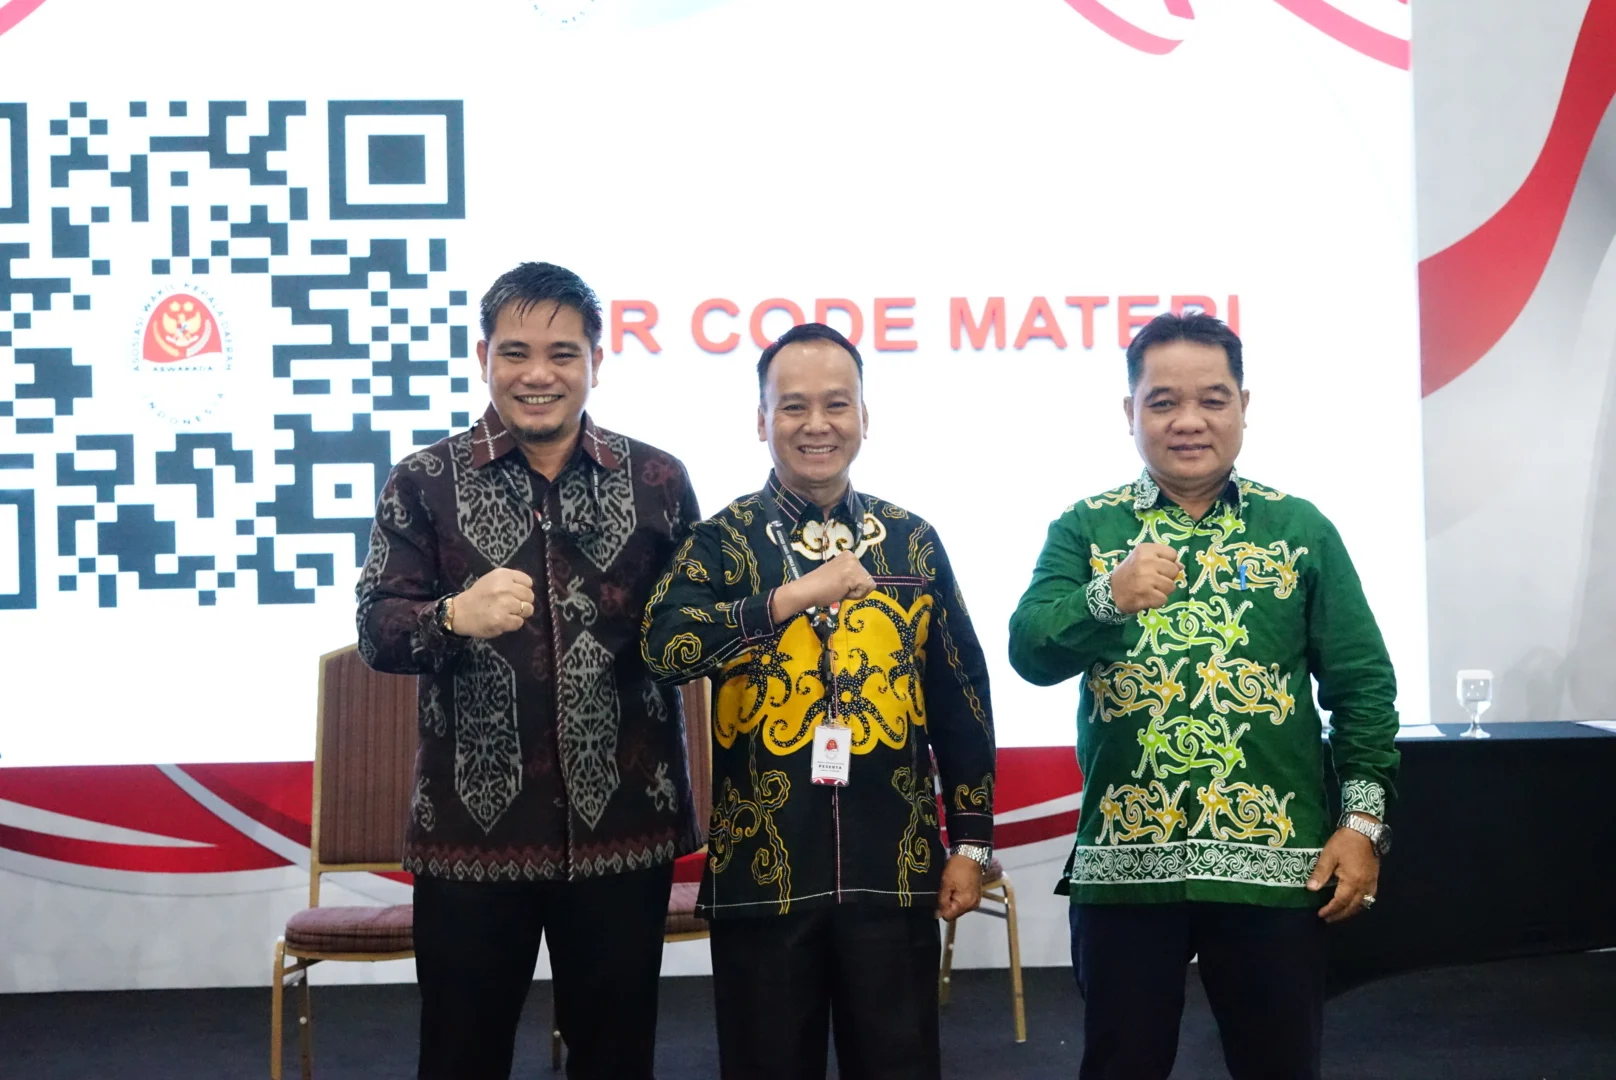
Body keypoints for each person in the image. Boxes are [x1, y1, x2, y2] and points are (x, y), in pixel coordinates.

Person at [1007, 311, 1399, 1080]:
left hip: (1277, 869)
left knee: (1279, 1066)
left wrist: (1361, 826)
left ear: (1243, 406)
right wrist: (1105, 598)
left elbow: (1363, 688)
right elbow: (1030, 650)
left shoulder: (1300, 529)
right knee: (1121, 1065)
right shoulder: (1087, 528)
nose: (1188, 421)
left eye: (1212, 399)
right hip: (1126, 866)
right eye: (1163, 402)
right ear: (1130, 412)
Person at [355, 261, 701, 1080]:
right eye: (515, 352)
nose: (537, 374)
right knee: (460, 1058)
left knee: (617, 1061)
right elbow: (375, 631)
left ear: (596, 362)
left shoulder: (657, 480)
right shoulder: (424, 482)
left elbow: (696, 626)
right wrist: (450, 616)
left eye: (562, 353)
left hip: (625, 831)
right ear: (484, 357)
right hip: (471, 840)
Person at [641, 322, 997, 1080]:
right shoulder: (723, 541)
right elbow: (662, 648)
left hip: (894, 869)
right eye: (793, 406)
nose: (817, 425)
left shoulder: (912, 541)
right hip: (762, 871)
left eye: (837, 405)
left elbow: (961, 696)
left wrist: (969, 843)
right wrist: (787, 599)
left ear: (865, 416)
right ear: (761, 420)